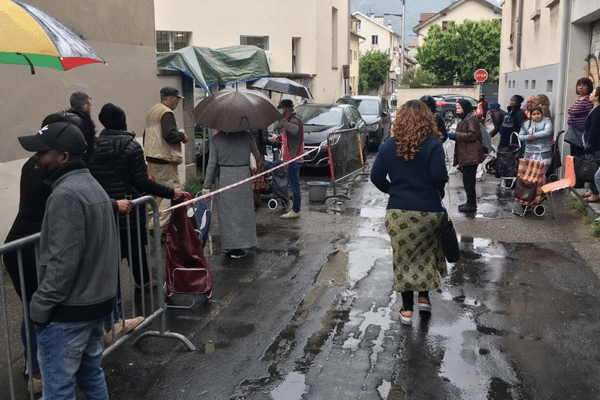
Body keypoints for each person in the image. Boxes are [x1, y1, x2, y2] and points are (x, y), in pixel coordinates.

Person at [18, 122, 118, 399]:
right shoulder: (91, 185)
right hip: (94, 306)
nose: (37, 158)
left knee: (58, 389)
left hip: (69, 312)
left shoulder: (65, 194)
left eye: (43, 152)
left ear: (63, 157)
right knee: (91, 375)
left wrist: (40, 307)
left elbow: (62, 263)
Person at [3, 112, 84, 395]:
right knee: (35, 309)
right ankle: (36, 372)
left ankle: (37, 365)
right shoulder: (44, 168)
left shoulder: (38, 164)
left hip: (30, 245)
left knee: (35, 307)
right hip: (27, 248)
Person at [88, 103, 190, 286]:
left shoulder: (92, 148)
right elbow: (142, 182)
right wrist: (171, 192)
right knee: (135, 249)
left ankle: (114, 295)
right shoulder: (132, 148)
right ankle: (142, 285)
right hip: (130, 210)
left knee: (112, 254)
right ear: (123, 121)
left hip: (107, 209)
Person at [370, 100, 448, 325]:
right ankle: (424, 298)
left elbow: (376, 178)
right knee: (426, 253)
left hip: (398, 213)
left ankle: (407, 310)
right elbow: (439, 178)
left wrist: (394, 190)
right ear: (427, 119)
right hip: (429, 211)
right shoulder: (434, 145)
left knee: (404, 258)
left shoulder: (388, 146)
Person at [203, 130, 260, 259]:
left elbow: (211, 164)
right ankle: (243, 244)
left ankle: (230, 245)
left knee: (227, 214)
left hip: (225, 179)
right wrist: (249, 155)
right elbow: (256, 156)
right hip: (243, 177)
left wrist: (207, 185)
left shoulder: (216, 139)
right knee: (243, 212)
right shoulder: (247, 136)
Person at [144, 86, 188, 235]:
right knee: (171, 193)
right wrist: (182, 136)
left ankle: (158, 224)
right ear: (171, 98)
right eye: (177, 99)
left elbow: (146, 135)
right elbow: (169, 135)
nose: (177, 102)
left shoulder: (153, 111)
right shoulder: (166, 112)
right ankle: (157, 227)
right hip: (164, 160)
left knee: (160, 195)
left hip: (152, 158)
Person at [273, 99, 304, 219]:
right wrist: (280, 139)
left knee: (294, 186)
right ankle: (295, 208)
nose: (279, 111)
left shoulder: (294, 121)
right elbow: (291, 137)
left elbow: (294, 130)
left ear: (285, 109)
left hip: (294, 159)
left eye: (280, 109)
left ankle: (296, 210)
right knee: (293, 185)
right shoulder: (291, 120)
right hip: (291, 158)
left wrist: (282, 121)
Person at [454, 99, 484, 213]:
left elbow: (472, 134)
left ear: (465, 108)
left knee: (469, 181)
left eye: (459, 108)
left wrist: (455, 135)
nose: (457, 110)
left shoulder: (471, 119)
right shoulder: (464, 119)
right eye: (456, 108)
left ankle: (471, 204)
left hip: (471, 155)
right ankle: (469, 202)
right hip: (467, 155)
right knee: (467, 181)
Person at [566, 78, 594, 157]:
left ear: (589, 87)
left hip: (581, 133)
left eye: (584, 85)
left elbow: (591, 116)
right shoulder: (579, 98)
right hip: (574, 132)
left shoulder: (588, 100)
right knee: (573, 156)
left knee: (579, 157)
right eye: (579, 85)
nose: (580, 87)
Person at [581, 86, 600, 202]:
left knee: (594, 168)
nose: (590, 94)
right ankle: (592, 190)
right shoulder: (595, 108)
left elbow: (594, 130)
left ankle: (596, 193)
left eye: (593, 93)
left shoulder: (598, 111)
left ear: (597, 97)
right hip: (592, 145)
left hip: (595, 146)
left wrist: (589, 144)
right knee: (592, 168)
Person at [67, 91, 96, 162]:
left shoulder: (65, 119)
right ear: (85, 107)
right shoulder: (85, 124)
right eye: (89, 104)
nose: (90, 106)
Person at [250, 129, 269, 208]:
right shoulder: (261, 123)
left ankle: (252, 201)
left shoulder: (247, 122)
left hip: (250, 153)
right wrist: (274, 143)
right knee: (258, 178)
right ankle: (256, 201)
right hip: (259, 153)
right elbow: (264, 139)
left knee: (252, 177)